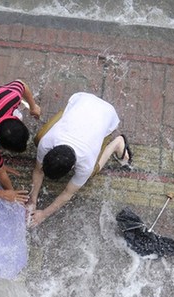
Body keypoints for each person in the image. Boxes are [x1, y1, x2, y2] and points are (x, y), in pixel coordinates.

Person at [27, 92, 133, 227]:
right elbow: (38, 171)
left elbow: (67, 193)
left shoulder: (86, 163)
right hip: (81, 99)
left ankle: (117, 143)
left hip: (108, 115)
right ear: (51, 151)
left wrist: (44, 214)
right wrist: (33, 199)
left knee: (93, 172)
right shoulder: (46, 142)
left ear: (73, 168)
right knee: (38, 138)